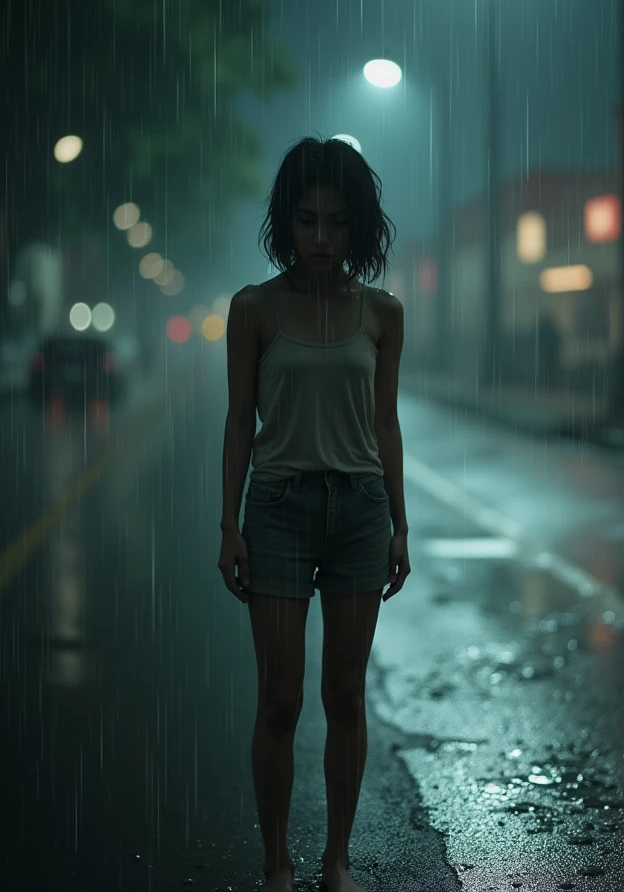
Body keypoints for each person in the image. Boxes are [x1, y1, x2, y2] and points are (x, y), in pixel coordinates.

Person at [218, 136, 411, 892]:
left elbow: (385, 423)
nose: (323, 239)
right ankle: (277, 865)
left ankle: (336, 862)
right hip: (279, 507)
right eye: (307, 222)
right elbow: (239, 421)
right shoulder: (254, 309)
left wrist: (400, 521)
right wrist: (228, 524)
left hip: (361, 509)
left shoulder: (383, 314)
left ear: (359, 225)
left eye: (337, 222)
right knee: (280, 698)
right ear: (285, 224)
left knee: (345, 695)